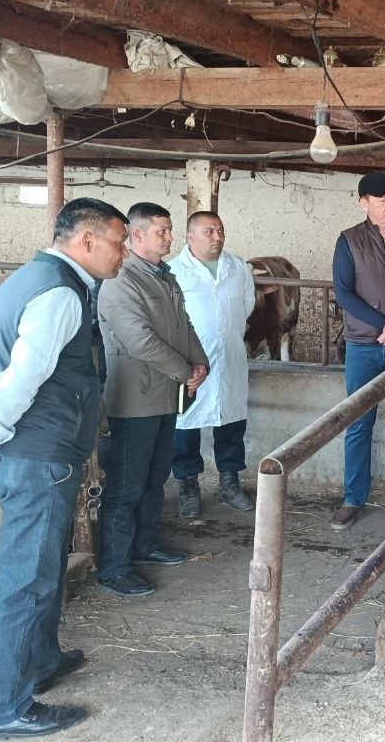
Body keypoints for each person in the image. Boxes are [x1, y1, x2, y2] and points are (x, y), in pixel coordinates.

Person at [0, 197, 129, 740]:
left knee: (42, 570)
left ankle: (42, 659)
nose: (123, 254)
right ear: (87, 241)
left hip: (28, 453)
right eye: (119, 243)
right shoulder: (61, 295)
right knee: (25, 582)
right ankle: (3, 710)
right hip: (39, 455)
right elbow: (21, 377)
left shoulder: (23, 281)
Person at [95, 203, 208, 597]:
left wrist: (199, 361)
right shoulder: (121, 280)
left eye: (169, 230)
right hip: (135, 398)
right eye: (162, 231)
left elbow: (184, 325)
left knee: (155, 477)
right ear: (137, 235)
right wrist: (185, 371)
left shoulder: (165, 276)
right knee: (127, 483)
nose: (169, 237)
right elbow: (139, 340)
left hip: (164, 394)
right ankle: (113, 567)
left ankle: (145, 545)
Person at [329, 171, 385, 530]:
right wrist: (384, 324)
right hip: (364, 346)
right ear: (364, 203)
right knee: (358, 423)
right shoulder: (349, 240)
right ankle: (353, 498)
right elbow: (344, 293)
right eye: (382, 200)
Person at [169, 211, 256, 517]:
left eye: (220, 231)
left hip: (229, 355)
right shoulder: (173, 270)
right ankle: (188, 486)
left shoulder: (238, 267)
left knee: (231, 421)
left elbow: (246, 306)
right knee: (185, 425)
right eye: (209, 232)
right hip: (188, 360)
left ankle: (229, 484)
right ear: (190, 236)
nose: (217, 237)